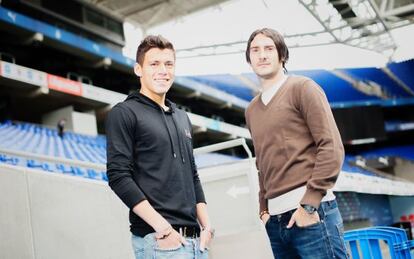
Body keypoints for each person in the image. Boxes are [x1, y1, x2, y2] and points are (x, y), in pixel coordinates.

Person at [106, 35, 213, 259]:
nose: (163, 70)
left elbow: (192, 176)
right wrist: (163, 228)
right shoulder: (124, 113)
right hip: (161, 242)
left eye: (168, 64)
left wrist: (207, 227)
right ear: (138, 69)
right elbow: (118, 176)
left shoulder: (182, 117)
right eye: (154, 64)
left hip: (196, 243)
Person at [244, 28, 348, 259]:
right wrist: (264, 210)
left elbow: (331, 147)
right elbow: (262, 161)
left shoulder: (303, 88)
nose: (262, 55)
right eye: (255, 50)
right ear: (249, 59)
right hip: (275, 221)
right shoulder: (251, 110)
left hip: (311, 214)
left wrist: (308, 205)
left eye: (269, 48)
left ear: (282, 54)